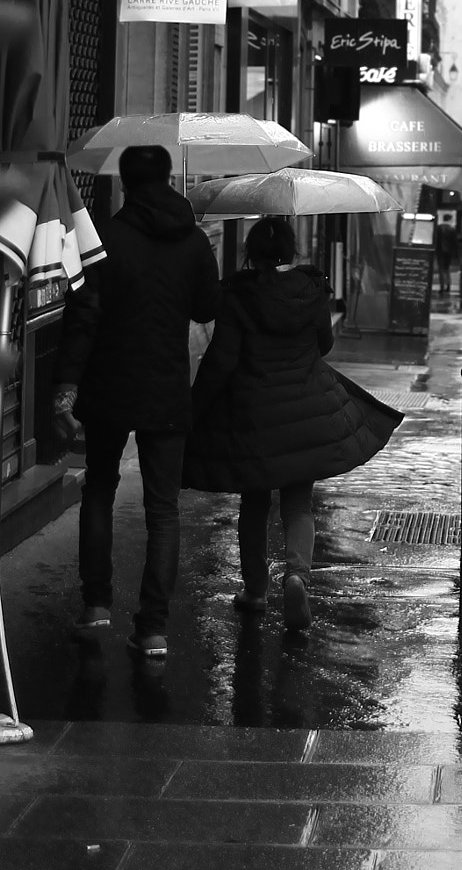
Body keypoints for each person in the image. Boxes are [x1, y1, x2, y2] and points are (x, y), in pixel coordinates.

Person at [182, 215, 401, 632]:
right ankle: (297, 574)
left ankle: (256, 591)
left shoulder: (238, 295)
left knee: (255, 502)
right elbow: (324, 343)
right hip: (306, 412)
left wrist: (194, 409)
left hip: (252, 417)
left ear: (250, 252)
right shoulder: (311, 289)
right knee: (299, 502)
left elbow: (222, 361)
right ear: (291, 249)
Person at [52, 143, 221, 658]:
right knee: (163, 509)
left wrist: (66, 385)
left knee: (99, 488)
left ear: (124, 183)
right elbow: (206, 307)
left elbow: (83, 316)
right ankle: (152, 628)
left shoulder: (104, 237)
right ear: (169, 178)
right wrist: (200, 256)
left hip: (109, 384)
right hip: (166, 388)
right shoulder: (193, 240)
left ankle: (97, 606)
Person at [434, 212, 458, 302]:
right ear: (450, 219)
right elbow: (454, 242)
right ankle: (448, 285)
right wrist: (456, 254)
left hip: (440, 251)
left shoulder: (439, 228)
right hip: (449, 252)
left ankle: (442, 286)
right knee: (447, 269)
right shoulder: (452, 229)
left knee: (440, 269)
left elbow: (436, 240)